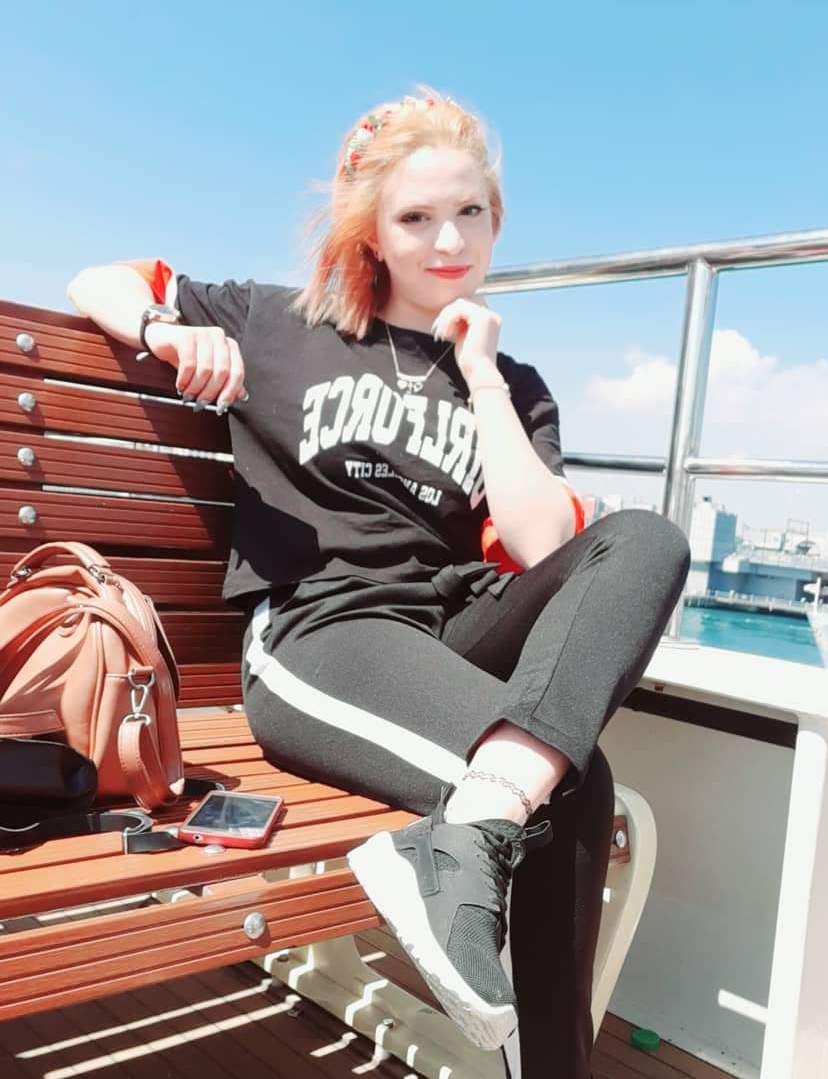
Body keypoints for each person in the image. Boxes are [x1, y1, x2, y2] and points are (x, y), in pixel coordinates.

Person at [66, 84, 691, 1079]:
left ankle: (468, 831)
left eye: (471, 212)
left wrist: (480, 372)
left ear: (497, 219)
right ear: (373, 233)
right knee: (575, 784)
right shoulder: (279, 322)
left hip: (448, 622)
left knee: (647, 538)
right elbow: (99, 277)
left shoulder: (513, 384)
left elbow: (539, 541)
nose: (450, 239)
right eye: (417, 218)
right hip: (324, 631)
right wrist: (161, 329)